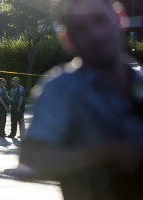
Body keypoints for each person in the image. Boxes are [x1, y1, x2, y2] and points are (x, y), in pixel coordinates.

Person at [18, 0, 143, 199]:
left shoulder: (139, 79)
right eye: (81, 28)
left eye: (99, 20)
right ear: (67, 38)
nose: (94, 34)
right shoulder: (61, 89)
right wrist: (110, 153)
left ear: (119, 18)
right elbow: (32, 159)